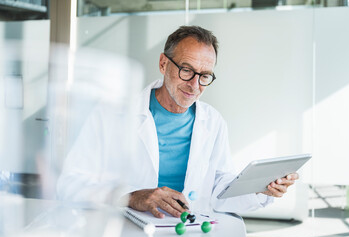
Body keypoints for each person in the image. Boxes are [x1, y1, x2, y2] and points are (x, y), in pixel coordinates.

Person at [57, 25, 299, 219]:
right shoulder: (111, 115)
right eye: (186, 70)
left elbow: (219, 191)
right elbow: (69, 185)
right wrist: (131, 197)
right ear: (163, 64)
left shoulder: (212, 122)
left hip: (188, 230)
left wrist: (260, 188)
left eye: (204, 76)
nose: (194, 85)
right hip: (126, 229)